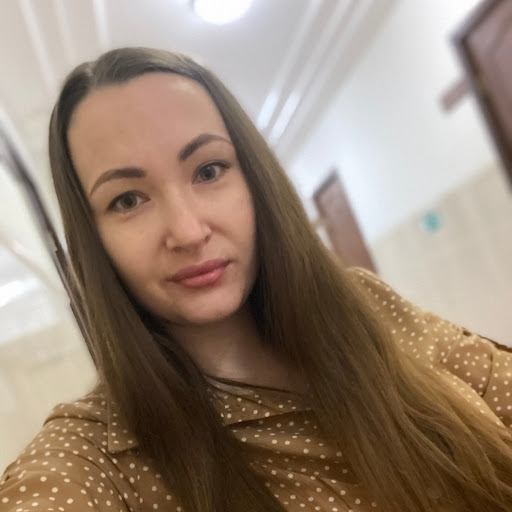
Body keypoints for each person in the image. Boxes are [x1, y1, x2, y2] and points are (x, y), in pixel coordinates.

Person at [1, 47, 512, 512]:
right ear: (93, 240)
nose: (188, 231)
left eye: (209, 171)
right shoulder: (98, 457)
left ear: (254, 177)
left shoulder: (368, 306)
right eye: (127, 200)